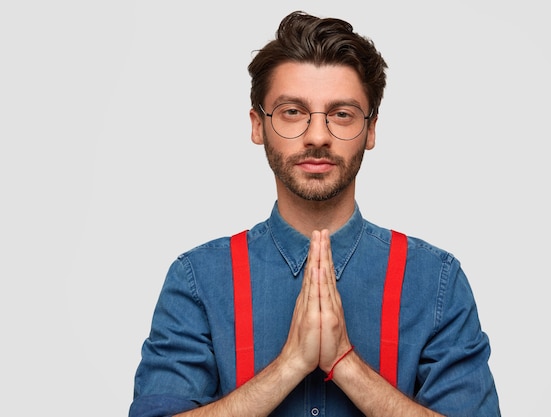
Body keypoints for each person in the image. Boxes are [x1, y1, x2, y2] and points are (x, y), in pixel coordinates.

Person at [129, 10, 500, 417]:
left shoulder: (435, 282)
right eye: (292, 111)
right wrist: (290, 365)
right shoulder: (197, 280)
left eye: (342, 114)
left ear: (370, 129)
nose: (318, 135)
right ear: (258, 125)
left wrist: (345, 364)